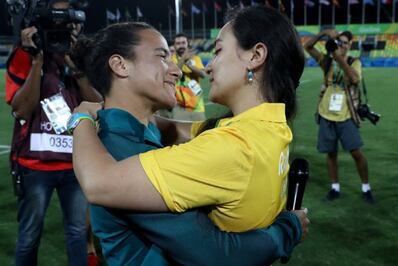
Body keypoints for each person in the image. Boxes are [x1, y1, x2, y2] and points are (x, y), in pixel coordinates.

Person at [70, 5, 308, 265]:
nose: (180, 70)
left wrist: (84, 117)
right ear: (119, 65)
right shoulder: (272, 126)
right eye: (162, 57)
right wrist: (287, 229)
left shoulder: (232, 143)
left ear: (256, 55)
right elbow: (218, 252)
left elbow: (101, 179)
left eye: (218, 51)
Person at [5, 1, 102, 265]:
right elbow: (21, 110)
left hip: (75, 163)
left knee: (78, 233)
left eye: (65, 20)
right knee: (29, 235)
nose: (60, 27)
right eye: (54, 20)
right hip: (34, 164)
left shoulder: (81, 55)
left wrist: (78, 69)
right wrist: (37, 60)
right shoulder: (25, 54)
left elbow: (99, 107)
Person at [304, 29, 374, 203]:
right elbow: (308, 46)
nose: (341, 45)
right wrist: (324, 34)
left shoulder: (353, 61)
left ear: (349, 45)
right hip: (326, 115)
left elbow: (354, 78)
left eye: (344, 43)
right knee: (331, 153)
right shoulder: (327, 62)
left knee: (357, 153)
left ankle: (366, 187)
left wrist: (337, 55)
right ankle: (335, 187)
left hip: (346, 115)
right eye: (339, 42)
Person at [160, 33, 207, 121]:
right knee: (180, 134)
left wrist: (189, 64)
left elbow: (203, 74)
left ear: (187, 43)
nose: (181, 45)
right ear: (174, 45)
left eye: (183, 43)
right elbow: (174, 72)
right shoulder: (170, 60)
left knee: (200, 133)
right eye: (178, 43)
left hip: (197, 106)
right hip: (179, 107)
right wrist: (183, 58)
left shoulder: (195, 58)